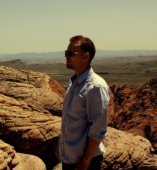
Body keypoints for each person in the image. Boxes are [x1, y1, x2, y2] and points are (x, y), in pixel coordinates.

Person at [57, 35, 110, 170]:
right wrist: (61, 147)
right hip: (69, 158)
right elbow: (71, 121)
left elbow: (98, 129)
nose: (66, 56)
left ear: (86, 56)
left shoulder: (95, 86)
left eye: (70, 53)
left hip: (84, 163)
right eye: (66, 53)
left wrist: (85, 161)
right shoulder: (74, 82)